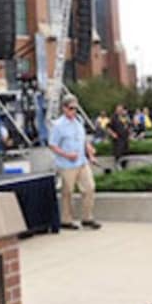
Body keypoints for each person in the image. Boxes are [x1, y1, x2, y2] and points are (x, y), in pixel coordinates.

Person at [48, 95, 99, 230]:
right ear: (64, 109)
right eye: (71, 109)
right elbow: (52, 145)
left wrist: (90, 152)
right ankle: (66, 220)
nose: (73, 112)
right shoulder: (58, 125)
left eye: (76, 109)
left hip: (81, 162)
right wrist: (67, 155)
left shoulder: (79, 121)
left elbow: (83, 140)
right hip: (67, 164)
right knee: (67, 192)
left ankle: (87, 217)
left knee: (89, 187)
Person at [108, 104, 130, 170]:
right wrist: (112, 134)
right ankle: (117, 168)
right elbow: (108, 127)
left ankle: (125, 169)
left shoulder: (126, 117)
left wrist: (129, 133)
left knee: (125, 154)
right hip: (118, 139)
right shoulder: (113, 117)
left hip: (125, 139)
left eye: (121, 110)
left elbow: (129, 126)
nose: (120, 111)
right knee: (118, 155)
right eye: (118, 110)